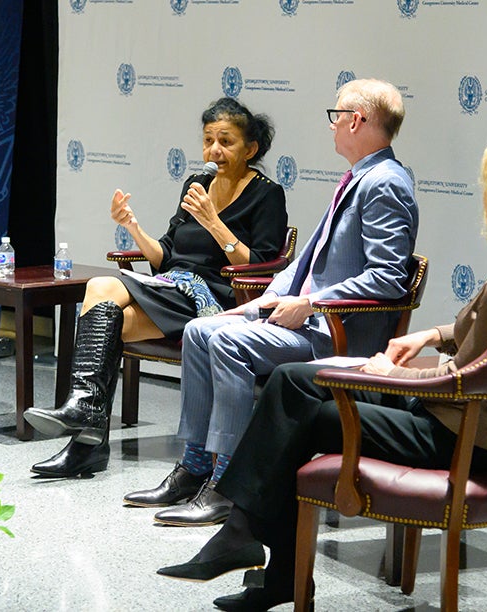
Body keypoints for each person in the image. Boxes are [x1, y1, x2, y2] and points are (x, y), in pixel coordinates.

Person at [157, 134, 487, 611]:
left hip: (449, 436)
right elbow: (479, 343)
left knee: (298, 418)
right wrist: (432, 336)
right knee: (293, 380)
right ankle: (250, 544)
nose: (484, 194)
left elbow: (461, 382)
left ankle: (250, 542)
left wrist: (387, 373)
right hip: (455, 422)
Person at [124, 78, 419, 527]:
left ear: (356, 121)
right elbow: (307, 262)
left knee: (227, 344)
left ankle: (228, 483)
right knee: (203, 329)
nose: (332, 125)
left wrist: (313, 303)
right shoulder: (359, 176)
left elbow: (389, 277)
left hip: (336, 333)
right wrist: (257, 303)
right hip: (311, 320)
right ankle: (196, 466)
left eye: (336, 116)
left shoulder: (384, 183)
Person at [23, 97, 289, 477]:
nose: (215, 150)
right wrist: (132, 226)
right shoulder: (197, 182)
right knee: (110, 314)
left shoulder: (267, 194)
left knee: (102, 291)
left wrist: (215, 222)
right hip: (171, 285)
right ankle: (86, 425)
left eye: (226, 141)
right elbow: (166, 253)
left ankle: (86, 435)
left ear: (251, 148)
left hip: (215, 299)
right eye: (208, 139)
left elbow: (260, 266)